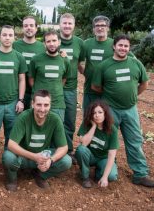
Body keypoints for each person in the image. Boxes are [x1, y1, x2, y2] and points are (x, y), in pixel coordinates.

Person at [92, 34, 154, 188]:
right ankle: (106, 169)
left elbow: (144, 83)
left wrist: (132, 97)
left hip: (130, 110)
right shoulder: (104, 66)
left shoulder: (136, 64)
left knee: (135, 141)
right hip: (110, 110)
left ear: (129, 48)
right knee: (108, 141)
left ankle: (140, 174)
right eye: (120, 45)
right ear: (114, 46)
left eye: (126, 46)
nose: (123, 48)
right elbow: (96, 86)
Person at [2, 90, 72, 191]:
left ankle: (41, 175)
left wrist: (50, 161)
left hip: (43, 156)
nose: (42, 109)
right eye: (39, 104)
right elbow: (11, 145)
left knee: (67, 161)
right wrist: (34, 157)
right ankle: (12, 178)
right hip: (24, 157)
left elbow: (64, 147)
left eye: (46, 105)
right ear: (32, 104)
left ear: (50, 105)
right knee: (8, 157)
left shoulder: (55, 119)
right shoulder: (24, 117)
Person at [0, 25, 27, 147]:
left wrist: (21, 100)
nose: (7, 38)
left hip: (13, 104)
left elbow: (22, 80)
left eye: (10, 35)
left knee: (13, 138)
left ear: (14, 38)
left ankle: (10, 162)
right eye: (4, 35)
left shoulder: (19, 57)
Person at [75, 100, 119, 188]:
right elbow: (84, 143)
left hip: (104, 158)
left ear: (105, 114)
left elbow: (111, 154)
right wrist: (94, 126)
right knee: (81, 150)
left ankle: (99, 172)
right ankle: (85, 177)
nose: (97, 115)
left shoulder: (112, 130)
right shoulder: (87, 124)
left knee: (112, 176)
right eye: (94, 112)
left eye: (100, 112)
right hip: (90, 156)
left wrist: (105, 177)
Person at [29, 30, 70, 122]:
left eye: (54, 41)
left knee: (56, 133)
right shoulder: (36, 59)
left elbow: (63, 79)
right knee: (35, 131)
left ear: (59, 42)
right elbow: (31, 80)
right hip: (38, 103)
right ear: (44, 44)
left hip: (57, 103)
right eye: (48, 41)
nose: (51, 44)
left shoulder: (65, 60)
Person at [59, 13, 84, 160]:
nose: (67, 26)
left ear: (74, 26)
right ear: (60, 25)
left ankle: (68, 150)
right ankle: (52, 148)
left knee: (69, 120)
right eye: (64, 23)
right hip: (54, 88)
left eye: (70, 23)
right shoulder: (52, 40)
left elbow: (80, 64)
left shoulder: (80, 43)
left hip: (70, 88)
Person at [78, 15, 113, 115]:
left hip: (107, 91)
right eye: (97, 26)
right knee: (88, 117)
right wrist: (86, 73)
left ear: (108, 28)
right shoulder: (87, 44)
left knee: (106, 120)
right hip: (90, 90)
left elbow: (130, 59)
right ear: (93, 29)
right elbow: (79, 62)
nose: (100, 28)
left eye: (103, 25)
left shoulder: (114, 44)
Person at [13, 16, 45, 109]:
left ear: (36, 28)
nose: (29, 28)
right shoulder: (14, 45)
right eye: (26, 25)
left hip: (35, 91)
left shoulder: (42, 47)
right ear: (23, 28)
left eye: (31, 25)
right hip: (17, 92)